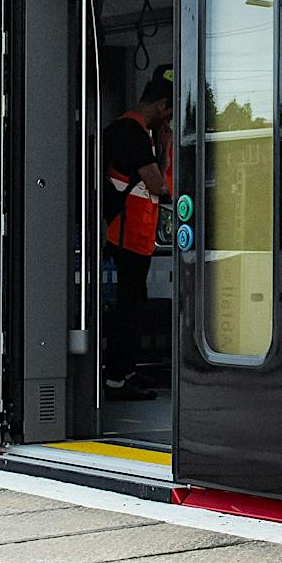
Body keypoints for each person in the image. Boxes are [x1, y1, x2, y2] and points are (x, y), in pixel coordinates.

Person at [103, 67, 173, 399]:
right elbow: (159, 185)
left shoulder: (136, 130)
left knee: (135, 302)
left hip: (136, 233)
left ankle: (126, 371)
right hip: (126, 231)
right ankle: (116, 378)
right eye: (170, 113)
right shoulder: (131, 131)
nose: (169, 121)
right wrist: (166, 149)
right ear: (161, 106)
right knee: (129, 306)